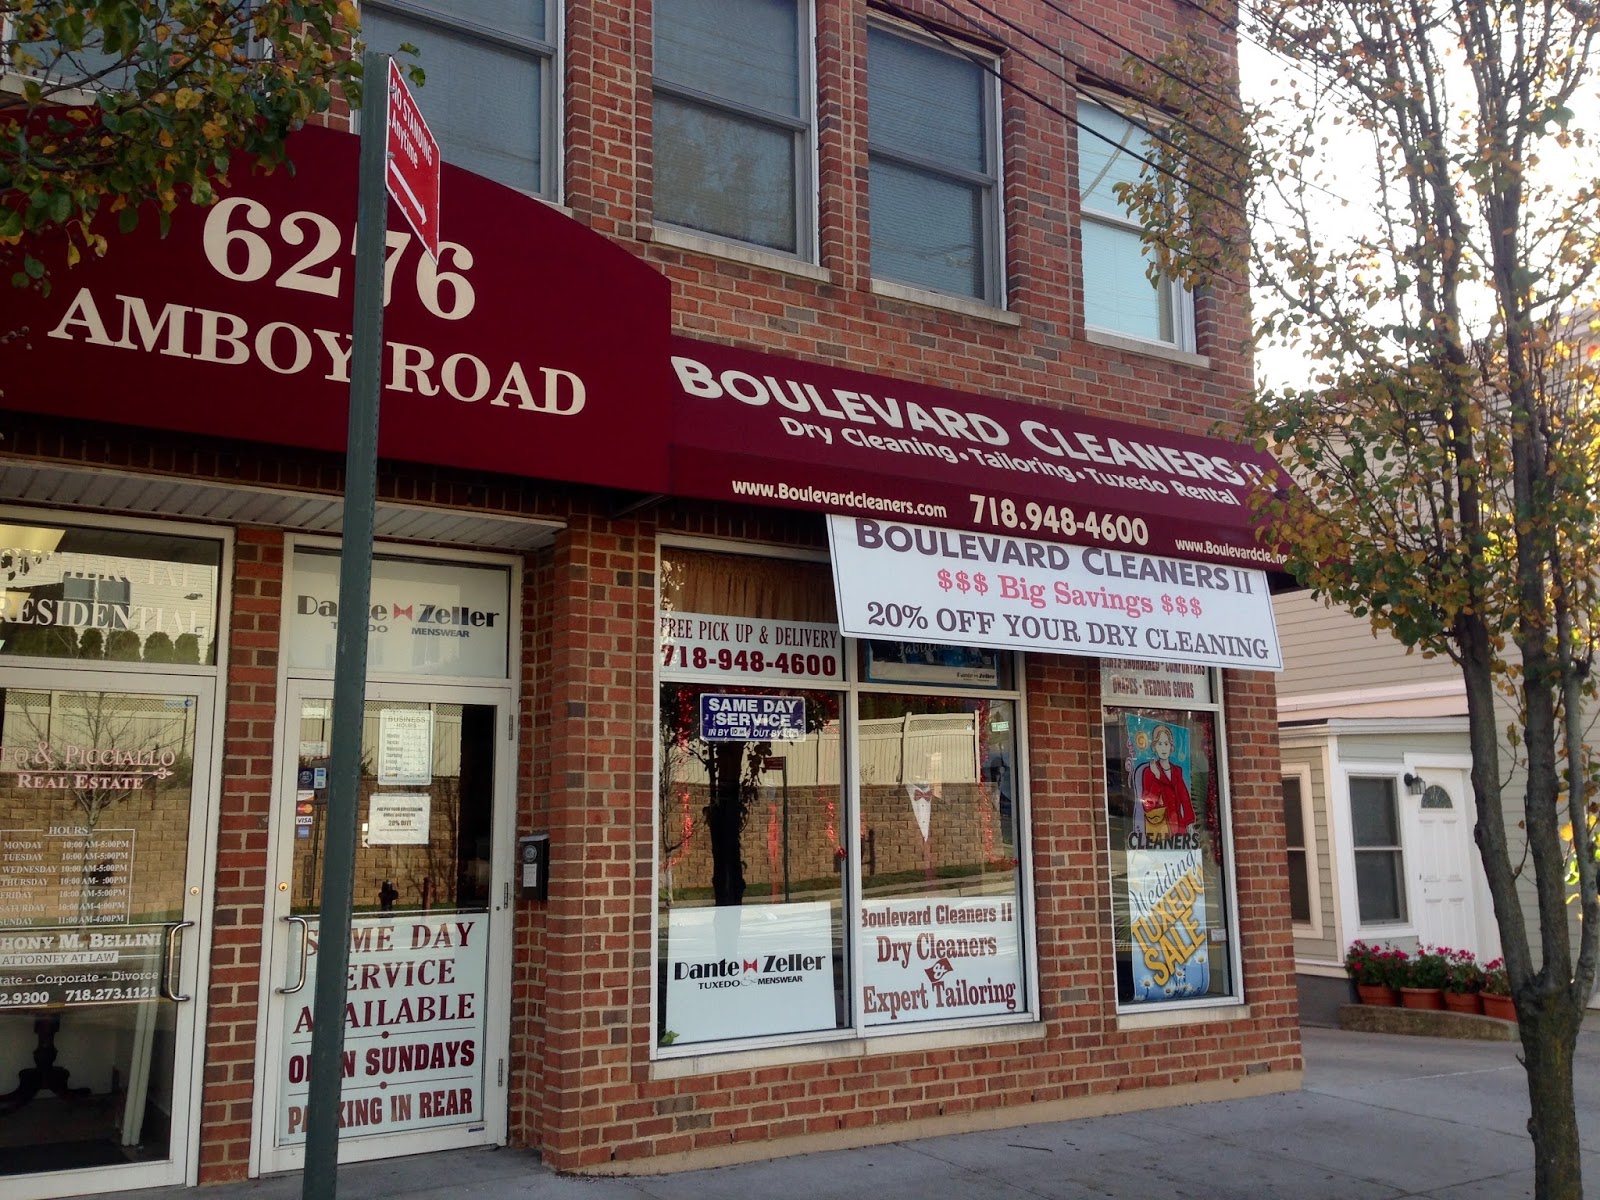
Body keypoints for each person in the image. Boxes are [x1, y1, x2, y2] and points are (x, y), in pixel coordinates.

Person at [1137, 723, 1194, 834]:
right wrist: (1157, 776)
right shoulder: (1149, 772)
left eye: (1166, 744)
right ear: (1154, 747)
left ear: (1171, 747)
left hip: (1179, 827)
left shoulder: (1177, 771)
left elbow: (1185, 798)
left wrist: (1189, 821)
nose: (1163, 748)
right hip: (1160, 828)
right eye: (1160, 744)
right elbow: (1148, 805)